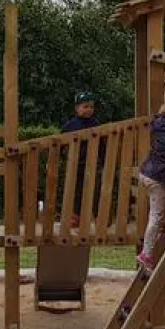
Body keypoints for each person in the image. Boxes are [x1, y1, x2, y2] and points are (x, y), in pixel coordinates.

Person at [135, 83, 165, 271]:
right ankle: (146, 254)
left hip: (151, 172)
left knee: (162, 212)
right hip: (159, 177)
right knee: (157, 215)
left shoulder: (161, 120)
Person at [61, 92, 100, 227]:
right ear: (77, 108)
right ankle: (75, 217)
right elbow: (61, 142)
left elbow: (102, 143)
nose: (89, 109)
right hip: (75, 164)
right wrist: (60, 156)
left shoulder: (96, 124)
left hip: (92, 163)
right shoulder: (71, 125)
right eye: (85, 106)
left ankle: (100, 216)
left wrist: (103, 157)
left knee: (95, 190)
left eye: (91, 107)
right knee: (75, 191)